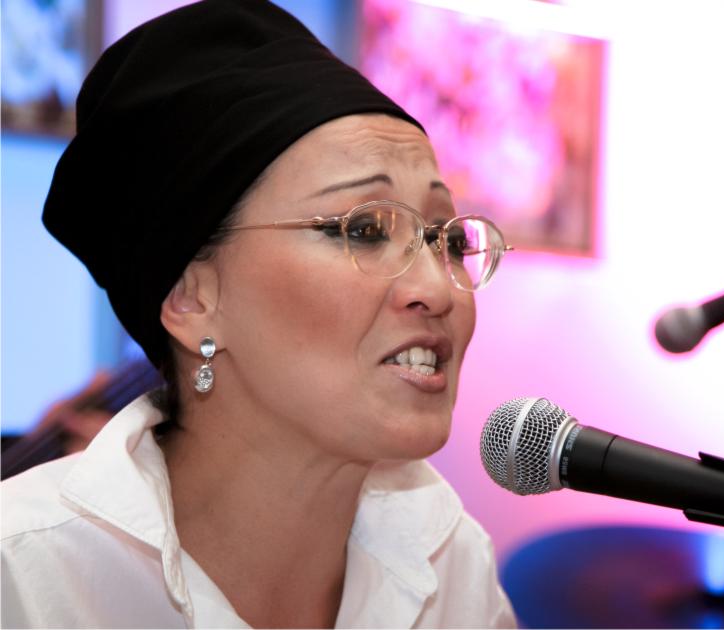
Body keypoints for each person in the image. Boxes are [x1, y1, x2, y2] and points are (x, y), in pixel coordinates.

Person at [0, 1, 516, 627]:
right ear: (192, 298)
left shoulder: (452, 564)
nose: (438, 288)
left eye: (447, 239)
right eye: (364, 230)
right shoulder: (27, 579)